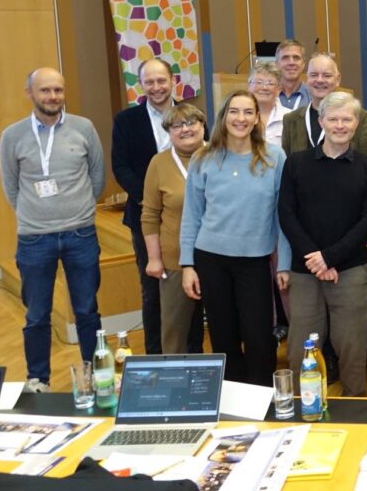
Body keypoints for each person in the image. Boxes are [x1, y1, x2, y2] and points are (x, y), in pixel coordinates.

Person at [0, 68, 105, 392]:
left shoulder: (83, 128)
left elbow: (97, 179)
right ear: (29, 92)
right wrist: (38, 216)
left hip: (81, 235)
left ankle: (94, 374)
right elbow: (11, 188)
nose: (53, 97)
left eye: (58, 90)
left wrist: (76, 209)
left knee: (87, 310)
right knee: (37, 315)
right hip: (34, 238)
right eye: (45, 90)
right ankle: (39, 379)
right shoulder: (12, 135)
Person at [180, 91, 291, 385]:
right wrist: (188, 265)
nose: (240, 118)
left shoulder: (274, 157)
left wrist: (285, 264)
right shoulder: (203, 158)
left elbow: (284, 215)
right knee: (223, 336)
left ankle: (263, 400)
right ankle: (233, 401)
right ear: (224, 117)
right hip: (210, 259)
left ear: (257, 118)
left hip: (255, 261)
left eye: (247, 112)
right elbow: (192, 215)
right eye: (234, 111)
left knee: (259, 338)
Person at [278, 92, 367, 396]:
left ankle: (355, 408)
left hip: (349, 270)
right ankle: (302, 406)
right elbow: (286, 214)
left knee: (352, 346)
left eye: (346, 119)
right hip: (304, 270)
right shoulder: (296, 163)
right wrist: (316, 259)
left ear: (357, 123)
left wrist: (330, 258)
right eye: (332, 119)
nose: (339, 125)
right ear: (321, 121)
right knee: (300, 347)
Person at [111, 58, 176, 355]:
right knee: (152, 290)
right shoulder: (126, 120)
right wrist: (150, 200)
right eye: (149, 81)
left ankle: (189, 350)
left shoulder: (192, 116)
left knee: (189, 284)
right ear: (142, 85)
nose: (156, 87)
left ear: (172, 80)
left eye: (161, 80)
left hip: (187, 218)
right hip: (144, 216)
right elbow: (120, 166)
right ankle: (155, 354)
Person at [141, 103, 208, 354]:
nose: (186, 129)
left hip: (219, 258)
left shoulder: (219, 154)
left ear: (203, 125)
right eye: (177, 125)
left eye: (192, 122)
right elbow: (149, 215)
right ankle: (174, 383)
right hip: (174, 260)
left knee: (225, 326)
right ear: (169, 131)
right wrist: (154, 259)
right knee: (174, 330)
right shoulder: (158, 163)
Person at [281, 53, 367, 157]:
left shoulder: (360, 116)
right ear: (307, 79)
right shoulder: (291, 119)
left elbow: (366, 161)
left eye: (327, 75)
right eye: (314, 75)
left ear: (337, 79)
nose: (319, 80)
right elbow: (288, 164)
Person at [248, 61, 293, 148]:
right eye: (259, 82)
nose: (264, 87)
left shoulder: (290, 117)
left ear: (279, 89)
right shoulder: (239, 117)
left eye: (270, 83)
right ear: (249, 85)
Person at [275, 39, 310, 110]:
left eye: (296, 58)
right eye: (285, 58)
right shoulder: (268, 95)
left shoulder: (313, 96)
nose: (291, 62)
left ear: (303, 64)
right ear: (277, 64)